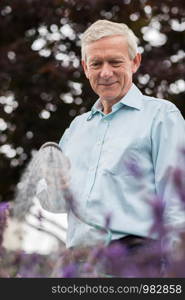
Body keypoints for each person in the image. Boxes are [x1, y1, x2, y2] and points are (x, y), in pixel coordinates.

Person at [38, 20, 185, 251]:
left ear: (135, 61)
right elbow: (57, 203)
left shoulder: (162, 116)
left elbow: (176, 202)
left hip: (137, 259)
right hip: (79, 264)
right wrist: (53, 182)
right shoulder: (76, 128)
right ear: (86, 67)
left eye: (115, 62)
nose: (106, 73)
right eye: (96, 64)